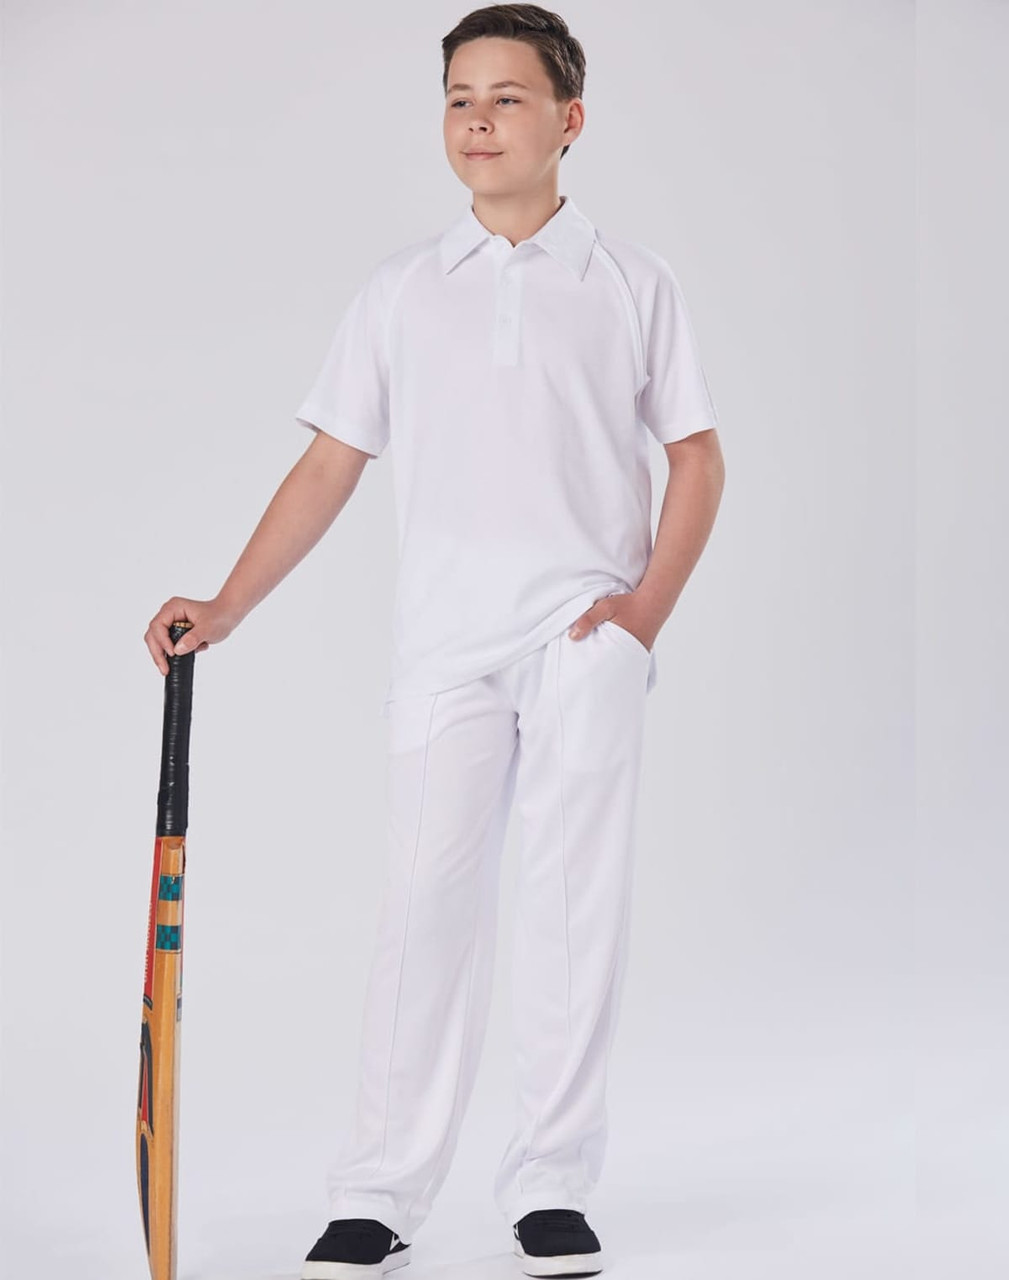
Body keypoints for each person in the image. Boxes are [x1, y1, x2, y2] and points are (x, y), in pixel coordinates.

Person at [144, 5, 724, 1276]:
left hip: (583, 636)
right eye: (459, 96)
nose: (477, 118)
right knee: (423, 906)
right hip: (444, 645)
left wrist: (638, 616)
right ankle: (380, 1189)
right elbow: (331, 463)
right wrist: (230, 602)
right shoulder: (404, 291)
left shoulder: (632, 283)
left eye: (508, 97)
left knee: (572, 904)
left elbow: (695, 455)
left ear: (569, 120)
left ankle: (551, 1183)